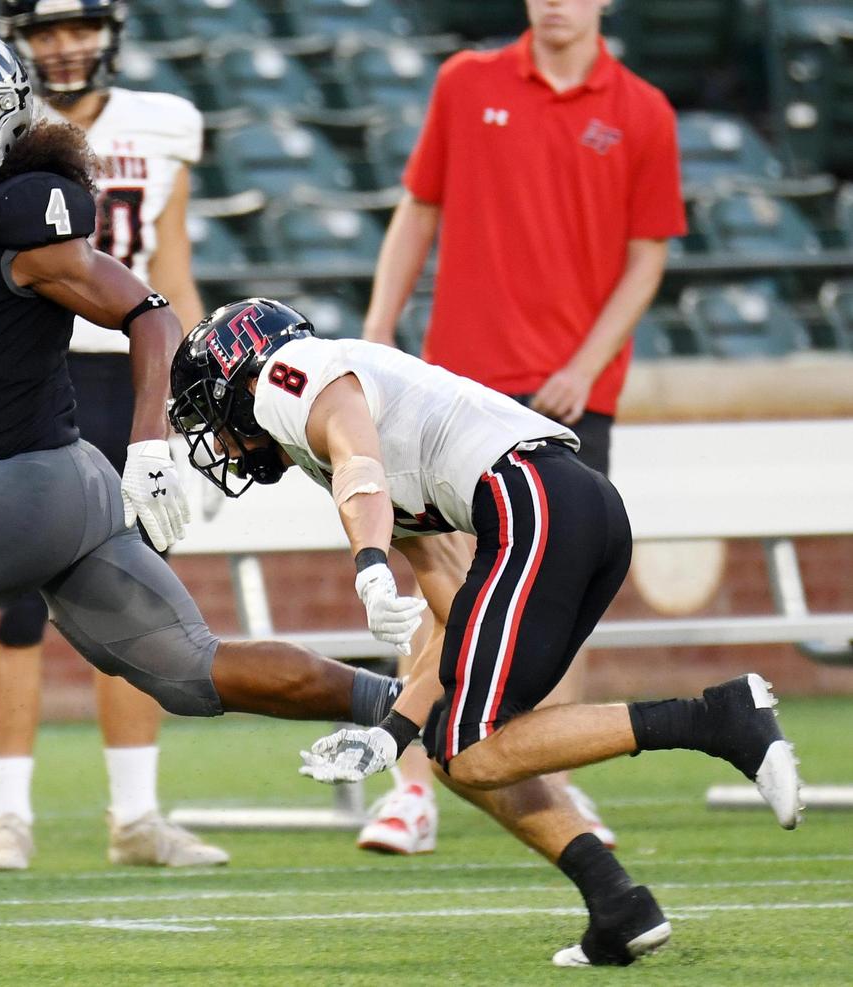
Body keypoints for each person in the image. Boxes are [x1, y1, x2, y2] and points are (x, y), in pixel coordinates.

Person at [0, 25, 402, 938]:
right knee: (191, 670)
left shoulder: (22, 213)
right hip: (65, 492)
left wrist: (153, 444)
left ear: (3, 122)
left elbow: (151, 314)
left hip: (26, 486)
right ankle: (417, 706)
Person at [167, 298, 801, 967]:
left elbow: (358, 459)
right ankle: (617, 904)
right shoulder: (326, 449)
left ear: (240, 377)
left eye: (211, 413)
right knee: (455, 745)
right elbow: (452, 615)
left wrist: (370, 563)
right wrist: (393, 733)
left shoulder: (286, 375)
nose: (218, 442)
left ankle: (716, 719)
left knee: (473, 747)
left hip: (532, 500)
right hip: (566, 509)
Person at [359, 0, 687, 854]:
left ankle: (554, 787)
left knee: (557, 594)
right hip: (454, 395)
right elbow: (418, 208)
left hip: (568, 402)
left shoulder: (644, 110)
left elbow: (648, 255)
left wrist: (585, 364)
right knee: (439, 577)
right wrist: (379, 329)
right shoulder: (466, 83)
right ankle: (410, 788)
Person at [0, 0, 225, 874]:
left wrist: (191, 401)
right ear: (21, 41)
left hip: (131, 374)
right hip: (26, 372)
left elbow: (173, 267)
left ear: (109, 31)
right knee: (14, 602)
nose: (65, 46)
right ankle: (7, 817)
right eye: (46, 32)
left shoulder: (165, 121)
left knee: (135, 595)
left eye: (78, 27)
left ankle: (137, 814)